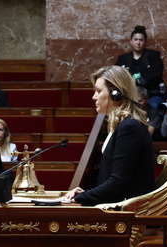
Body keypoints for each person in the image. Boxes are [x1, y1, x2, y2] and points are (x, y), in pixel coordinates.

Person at [62, 65, 155, 207]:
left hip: (127, 217)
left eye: (98, 91)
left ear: (116, 94)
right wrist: (87, 193)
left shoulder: (130, 128)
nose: (94, 97)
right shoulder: (122, 125)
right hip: (117, 209)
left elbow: (117, 183)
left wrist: (82, 197)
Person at [115, 26, 165, 111]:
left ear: (145, 42)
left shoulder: (153, 56)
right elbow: (116, 75)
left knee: (155, 107)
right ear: (131, 42)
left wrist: (136, 80)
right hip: (129, 95)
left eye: (141, 40)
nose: (138, 43)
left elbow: (156, 74)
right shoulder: (123, 59)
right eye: (135, 40)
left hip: (151, 94)